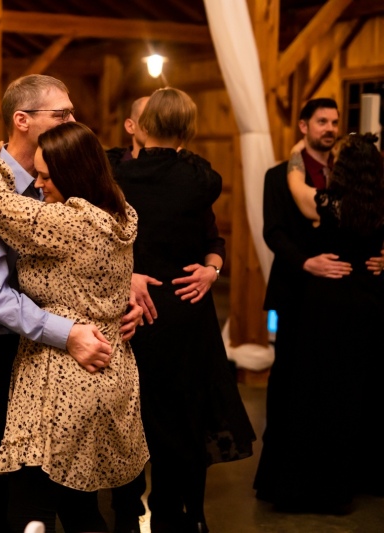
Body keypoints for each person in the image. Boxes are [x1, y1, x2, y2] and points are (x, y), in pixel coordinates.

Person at [0, 74, 142, 533]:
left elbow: (82, 252)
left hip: (43, 353)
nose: (75, 120)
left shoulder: (59, 185)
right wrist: (68, 332)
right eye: (63, 114)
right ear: (23, 120)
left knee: (47, 490)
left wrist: (123, 287)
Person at [110, 88, 256, 533]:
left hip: (141, 309)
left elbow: (210, 237)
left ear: (145, 125)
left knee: (134, 411)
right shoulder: (199, 176)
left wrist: (213, 267)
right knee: (174, 413)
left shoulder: (113, 173)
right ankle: (175, 513)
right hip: (179, 308)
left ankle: (129, 513)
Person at [254, 100, 384, 512]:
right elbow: (273, 231)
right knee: (296, 388)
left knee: (332, 391)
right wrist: (305, 261)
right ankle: (287, 475)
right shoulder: (279, 176)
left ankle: (330, 477)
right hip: (307, 294)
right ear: (305, 125)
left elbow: (303, 194)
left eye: (335, 123)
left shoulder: (327, 197)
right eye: (323, 122)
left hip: (333, 302)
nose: (330, 129)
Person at [106, 96, 149, 166]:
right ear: (130, 126)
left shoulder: (169, 168)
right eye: (148, 119)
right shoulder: (110, 166)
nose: (155, 125)